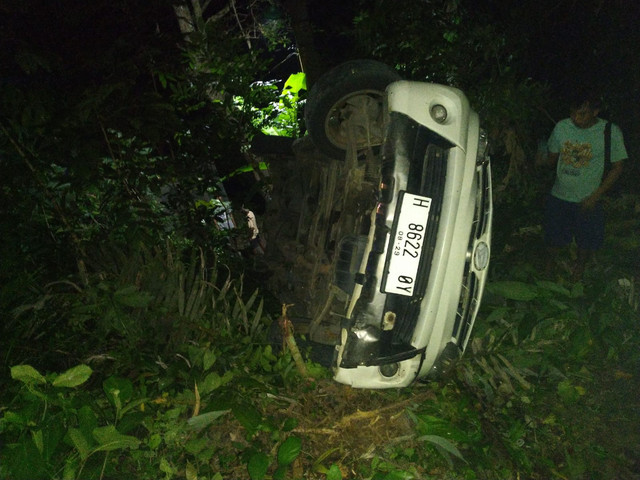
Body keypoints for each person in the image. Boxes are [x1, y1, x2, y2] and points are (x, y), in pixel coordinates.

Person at [537, 92, 628, 280]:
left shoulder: (609, 131)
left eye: (583, 114)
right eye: (573, 113)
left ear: (595, 111)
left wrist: (596, 196)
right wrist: (541, 158)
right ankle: (546, 272)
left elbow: (618, 167)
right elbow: (552, 159)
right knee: (553, 238)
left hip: (589, 199)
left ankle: (578, 272)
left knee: (586, 241)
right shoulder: (562, 127)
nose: (576, 118)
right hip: (559, 196)